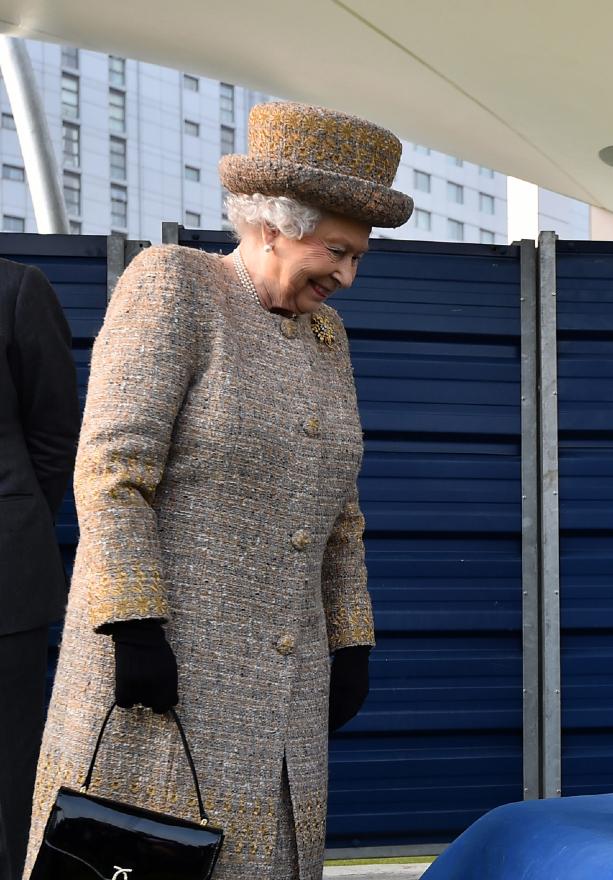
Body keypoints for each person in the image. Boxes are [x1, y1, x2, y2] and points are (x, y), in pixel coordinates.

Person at [25, 102, 413, 880]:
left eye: (359, 257)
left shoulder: (325, 339)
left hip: (289, 682)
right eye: (336, 250)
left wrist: (352, 641)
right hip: (166, 674)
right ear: (271, 225)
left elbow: (341, 513)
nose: (347, 275)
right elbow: (112, 469)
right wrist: (133, 626)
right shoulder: (175, 285)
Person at [0, 260, 79, 880]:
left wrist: (16, 524)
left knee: (8, 774)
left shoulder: (17, 290)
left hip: (4, 589)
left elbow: (54, 435)